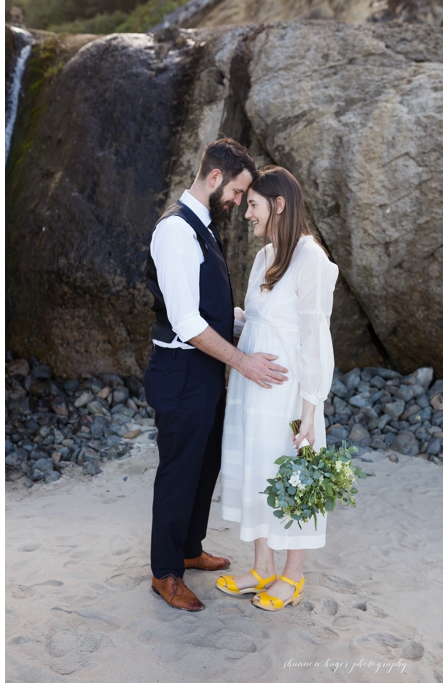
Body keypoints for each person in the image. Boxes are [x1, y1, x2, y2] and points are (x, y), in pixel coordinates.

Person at [143, 138, 287, 612]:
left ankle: (189, 548)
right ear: (214, 177)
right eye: (238, 192)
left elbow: (209, 310)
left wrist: (256, 326)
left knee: (205, 465)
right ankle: (166, 572)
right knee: (179, 469)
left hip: (204, 370)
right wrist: (245, 362)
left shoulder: (201, 226)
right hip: (180, 371)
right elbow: (186, 322)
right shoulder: (175, 231)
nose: (240, 203)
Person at [214, 165, 337, 611]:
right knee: (258, 470)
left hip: (288, 394)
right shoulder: (265, 256)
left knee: (294, 477)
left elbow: (314, 338)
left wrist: (310, 411)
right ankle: (262, 567)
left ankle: (292, 576)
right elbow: (258, 321)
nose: (247, 212)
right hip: (252, 389)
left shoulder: (311, 259)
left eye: (253, 204)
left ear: (279, 204)